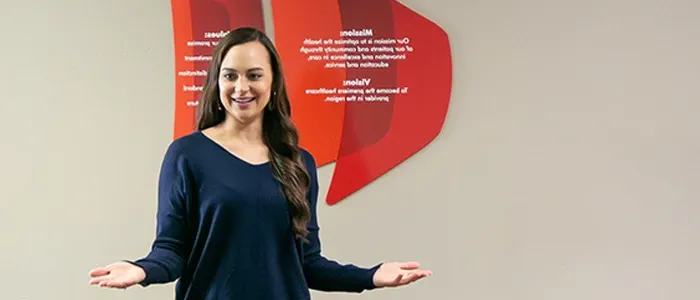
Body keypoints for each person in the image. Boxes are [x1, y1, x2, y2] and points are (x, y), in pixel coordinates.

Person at [88, 27, 431, 299]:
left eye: (254, 75)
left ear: (273, 83)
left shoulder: (299, 163)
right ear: (216, 81)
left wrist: (372, 276)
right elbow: (171, 249)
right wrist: (141, 269)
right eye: (230, 75)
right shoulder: (187, 155)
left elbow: (307, 264)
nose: (241, 87)